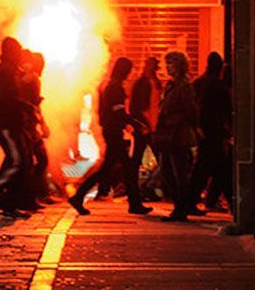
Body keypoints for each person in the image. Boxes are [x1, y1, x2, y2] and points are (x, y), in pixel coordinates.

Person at [69, 58, 152, 216]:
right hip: (113, 132)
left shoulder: (110, 86)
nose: (130, 74)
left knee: (108, 169)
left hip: (111, 131)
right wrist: (136, 124)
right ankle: (134, 203)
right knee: (125, 168)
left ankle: (79, 197)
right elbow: (118, 111)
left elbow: (109, 111)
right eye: (128, 70)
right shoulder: (115, 87)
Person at [0, 37, 35, 217]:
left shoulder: (9, 70)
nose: (20, 54)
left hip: (11, 123)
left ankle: (8, 203)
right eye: (17, 50)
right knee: (18, 161)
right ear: (10, 52)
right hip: (6, 123)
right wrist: (25, 106)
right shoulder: (5, 70)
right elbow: (8, 98)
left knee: (19, 161)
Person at [152, 51, 200, 222]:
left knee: (178, 172)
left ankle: (181, 208)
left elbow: (191, 109)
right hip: (167, 134)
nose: (167, 67)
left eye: (171, 64)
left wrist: (192, 125)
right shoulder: (171, 85)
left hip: (177, 134)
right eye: (167, 64)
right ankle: (180, 206)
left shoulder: (183, 86)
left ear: (179, 65)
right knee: (167, 171)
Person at [191, 52, 233, 211]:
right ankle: (191, 200)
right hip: (214, 131)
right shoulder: (219, 86)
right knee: (209, 167)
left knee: (215, 167)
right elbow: (227, 111)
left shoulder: (199, 83)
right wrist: (230, 130)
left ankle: (205, 199)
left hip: (202, 130)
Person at [20, 51, 53, 204]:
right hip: (28, 125)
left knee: (34, 160)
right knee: (37, 159)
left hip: (29, 124)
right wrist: (42, 123)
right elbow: (34, 105)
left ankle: (36, 194)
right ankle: (31, 195)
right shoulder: (31, 79)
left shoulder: (30, 78)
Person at [130, 57, 163, 201]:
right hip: (146, 127)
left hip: (151, 127)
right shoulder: (144, 83)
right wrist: (145, 125)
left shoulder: (153, 82)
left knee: (139, 159)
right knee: (160, 158)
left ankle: (142, 189)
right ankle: (144, 189)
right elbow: (138, 108)